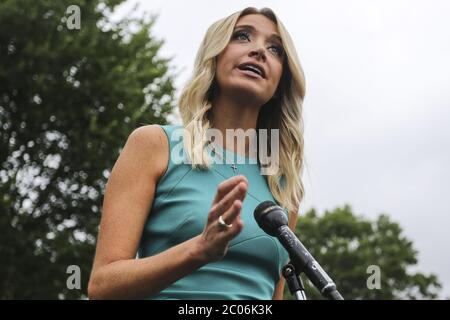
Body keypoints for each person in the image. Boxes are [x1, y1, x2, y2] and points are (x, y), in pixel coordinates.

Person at [87, 7, 306, 300]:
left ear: (280, 85)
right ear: (214, 58)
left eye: (275, 49)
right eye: (242, 36)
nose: (259, 51)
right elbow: (103, 288)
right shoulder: (154, 145)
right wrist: (199, 249)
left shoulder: (284, 186)